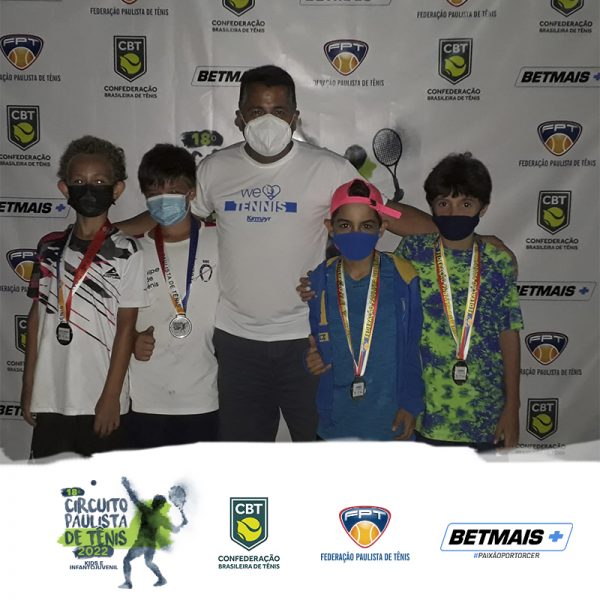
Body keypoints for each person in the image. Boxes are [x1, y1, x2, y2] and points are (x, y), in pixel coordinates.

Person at [189, 64, 433, 442]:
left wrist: (464, 235)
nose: (268, 121)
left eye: (279, 111)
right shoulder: (214, 169)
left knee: (317, 450)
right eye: (256, 111)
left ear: (295, 116)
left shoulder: (328, 168)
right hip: (237, 341)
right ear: (239, 118)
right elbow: (177, 219)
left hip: (307, 341)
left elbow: (388, 212)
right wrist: (120, 229)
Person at [20, 135, 148, 458]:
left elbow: (126, 329)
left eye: (100, 181)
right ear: (65, 189)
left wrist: (111, 397)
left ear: (117, 190)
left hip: (99, 398)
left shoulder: (127, 251)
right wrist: (29, 386)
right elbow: (35, 320)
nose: (89, 189)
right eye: (79, 181)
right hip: (51, 395)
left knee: (100, 489)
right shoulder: (49, 247)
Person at [395, 152, 523, 450]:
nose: (453, 213)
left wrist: (513, 406)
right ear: (432, 207)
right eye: (444, 204)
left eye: (466, 204)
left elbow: (509, 333)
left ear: (483, 208)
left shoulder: (498, 261)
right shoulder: (412, 253)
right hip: (424, 413)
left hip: (485, 416)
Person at [306, 179, 424, 440]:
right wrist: (313, 359)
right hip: (335, 426)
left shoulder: (403, 278)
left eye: (366, 226)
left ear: (382, 229)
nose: (355, 233)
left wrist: (411, 404)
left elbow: (414, 347)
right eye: (345, 225)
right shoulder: (319, 281)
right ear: (330, 228)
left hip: (391, 424)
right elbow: (317, 344)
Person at [127, 143, 219, 448]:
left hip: (204, 397)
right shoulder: (132, 250)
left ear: (192, 192)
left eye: (174, 191)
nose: (164, 201)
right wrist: (131, 339)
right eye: (154, 193)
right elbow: (112, 318)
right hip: (144, 398)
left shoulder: (221, 239)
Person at [119, 476, 187, 589]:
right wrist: (182, 524)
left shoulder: (146, 510)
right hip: (151, 545)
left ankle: (128, 583)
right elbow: (175, 530)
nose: (154, 502)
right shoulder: (161, 518)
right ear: (161, 506)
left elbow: (134, 499)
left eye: (155, 501)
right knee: (148, 563)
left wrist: (127, 487)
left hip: (142, 543)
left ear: (156, 504)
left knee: (126, 560)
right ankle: (161, 579)